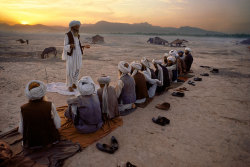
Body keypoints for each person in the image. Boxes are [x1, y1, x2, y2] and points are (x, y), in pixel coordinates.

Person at [18, 80, 61, 148]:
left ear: (28, 93)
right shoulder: (50, 105)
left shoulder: (23, 108)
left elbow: (21, 129)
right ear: (42, 92)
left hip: (31, 142)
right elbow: (58, 125)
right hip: (50, 140)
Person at [62, 20, 90, 92]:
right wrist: (70, 46)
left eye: (78, 27)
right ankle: (69, 85)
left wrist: (84, 46)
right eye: (77, 27)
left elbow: (78, 45)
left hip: (78, 55)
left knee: (78, 69)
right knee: (70, 70)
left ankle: (74, 83)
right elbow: (65, 46)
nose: (78, 28)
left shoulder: (77, 35)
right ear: (72, 27)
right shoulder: (67, 35)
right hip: (71, 55)